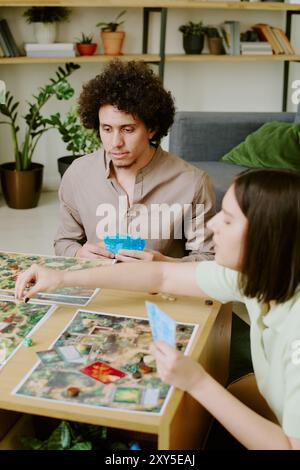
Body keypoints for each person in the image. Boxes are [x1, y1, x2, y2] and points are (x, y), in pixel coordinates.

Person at [16, 168, 300, 449]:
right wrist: (63, 278)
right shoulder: (256, 274)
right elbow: (160, 275)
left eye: (227, 220)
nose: (212, 226)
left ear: (266, 238)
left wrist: (198, 382)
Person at [54, 60, 215, 262]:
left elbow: (208, 257)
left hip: (159, 292)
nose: (115, 143)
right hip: (99, 286)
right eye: (107, 129)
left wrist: (163, 264)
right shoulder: (78, 175)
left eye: (127, 129)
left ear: (152, 129)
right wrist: (77, 253)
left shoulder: (192, 183)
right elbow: (64, 242)